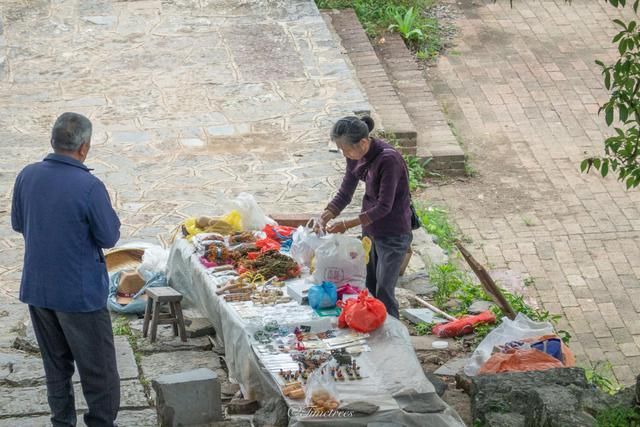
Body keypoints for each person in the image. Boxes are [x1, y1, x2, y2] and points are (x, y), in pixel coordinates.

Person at [11, 112, 121, 427]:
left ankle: (62, 422)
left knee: (56, 366)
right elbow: (109, 236)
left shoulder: (27, 175)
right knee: (99, 370)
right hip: (80, 295)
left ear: (53, 141)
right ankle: (100, 423)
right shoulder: (89, 186)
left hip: (39, 289)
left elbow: (19, 223)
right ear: (84, 147)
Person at [319, 116, 413, 319]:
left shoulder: (388, 160)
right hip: (371, 231)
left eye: (346, 149)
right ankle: (372, 329)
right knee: (368, 285)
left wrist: (346, 224)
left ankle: (393, 340)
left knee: (384, 291)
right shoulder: (355, 156)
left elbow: (384, 207)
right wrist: (329, 212)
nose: (345, 154)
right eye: (342, 150)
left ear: (363, 143)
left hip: (393, 232)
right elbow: (346, 189)